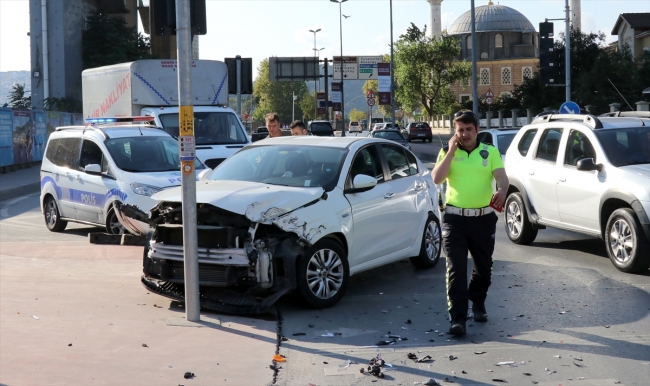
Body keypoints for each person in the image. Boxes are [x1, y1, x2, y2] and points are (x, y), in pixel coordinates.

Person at [431, 109, 509, 336]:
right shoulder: (446, 151)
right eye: (460, 130)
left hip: (483, 219)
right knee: (455, 268)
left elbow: (502, 178)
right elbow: (437, 178)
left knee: (483, 270)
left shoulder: (489, 151)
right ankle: (458, 318)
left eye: (468, 129)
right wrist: (451, 151)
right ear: (454, 132)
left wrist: (503, 190)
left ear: (477, 130)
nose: (465, 134)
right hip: (455, 219)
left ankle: (477, 301)